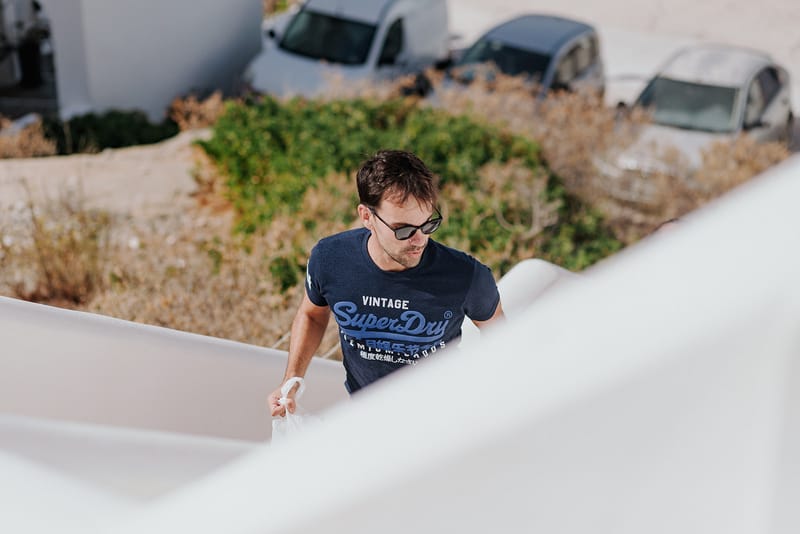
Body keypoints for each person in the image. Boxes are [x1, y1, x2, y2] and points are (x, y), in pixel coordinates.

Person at [269, 149, 505, 416]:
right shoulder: (330, 259)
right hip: (368, 417)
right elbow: (312, 315)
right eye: (403, 230)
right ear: (367, 216)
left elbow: (503, 339)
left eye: (428, 225)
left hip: (444, 419)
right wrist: (291, 380)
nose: (419, 240)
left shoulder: (467, 275)